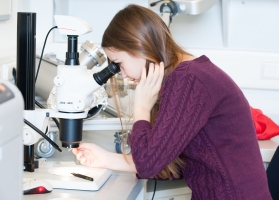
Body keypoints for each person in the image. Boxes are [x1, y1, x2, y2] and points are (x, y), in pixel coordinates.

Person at [72, 4, 272, 199]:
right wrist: (104, 159)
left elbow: (149, 163)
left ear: (139, 46)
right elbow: (167, 163)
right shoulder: (187, 76)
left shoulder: (188, 79)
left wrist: (141, 107)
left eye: (118, 64)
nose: (122, 75)